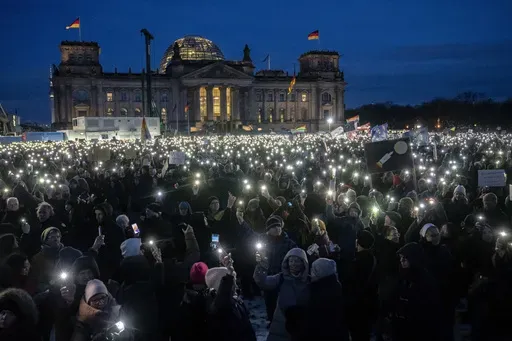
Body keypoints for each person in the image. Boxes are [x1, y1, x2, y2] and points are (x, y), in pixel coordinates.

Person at [254, 248, 310, 341]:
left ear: (303, 263)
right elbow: (262, 282)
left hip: (303, 326)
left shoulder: (310, 281)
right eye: (291, 261)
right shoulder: (281, 278)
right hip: (280, 326)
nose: (293, 264)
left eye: (297, 261)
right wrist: (262, 266)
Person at [204, 254, 256, 341]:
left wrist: (231, 270)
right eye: (232, 282)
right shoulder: (217, 305)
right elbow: (223, 296)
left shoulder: (236, 300)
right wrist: (228, 276)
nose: (235, 285)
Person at [298, 258, 349, 341]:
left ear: (319, 272)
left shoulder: (313, 290)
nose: (311, 273)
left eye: (313, 270)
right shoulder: (337, 286)